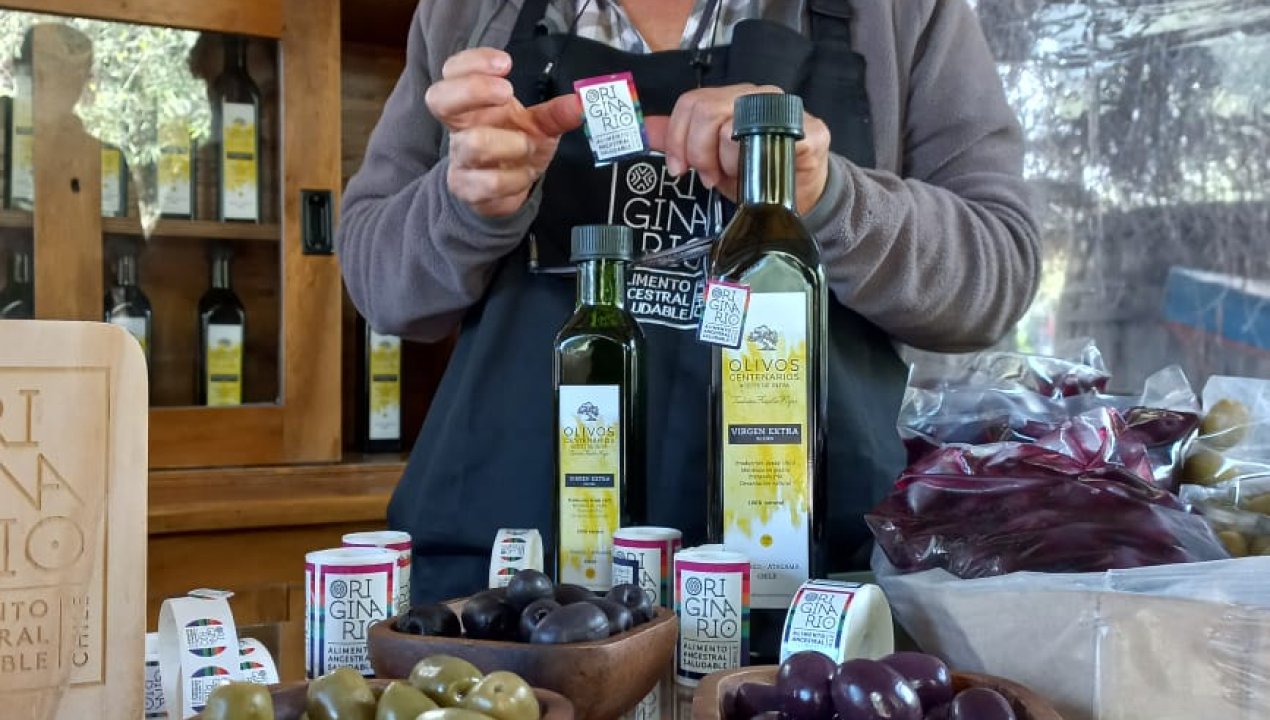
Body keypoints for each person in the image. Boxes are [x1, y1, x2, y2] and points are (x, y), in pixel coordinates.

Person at [337, 0, 1040, 603]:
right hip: (507, 594)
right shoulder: (468, 14)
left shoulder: (899, 15)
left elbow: (998, 268)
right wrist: (464, 206)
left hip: (808, 596)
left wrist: (825, 196)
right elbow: (377, 284)